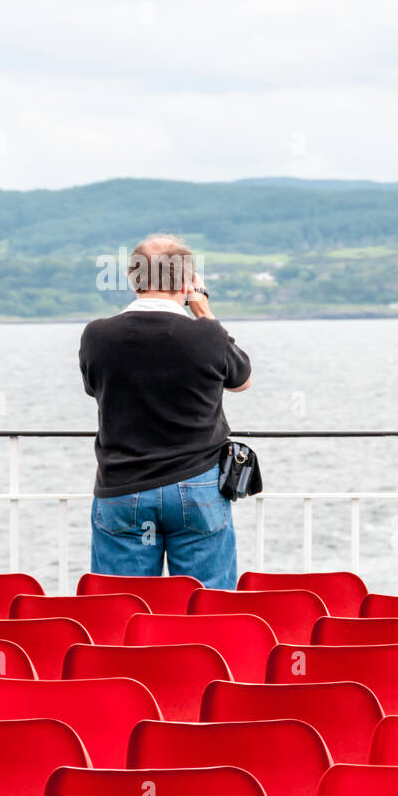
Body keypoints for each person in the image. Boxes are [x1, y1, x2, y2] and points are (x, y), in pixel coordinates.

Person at [79, 233, 252, 589]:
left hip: (123, 487)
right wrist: (204, 312)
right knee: (207, 606)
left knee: (121, 607)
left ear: (133, 278)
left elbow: (94, 388)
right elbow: (241, 380)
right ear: (189, 282)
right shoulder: (207, 335)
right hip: (198, 485)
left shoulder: (97, 335)